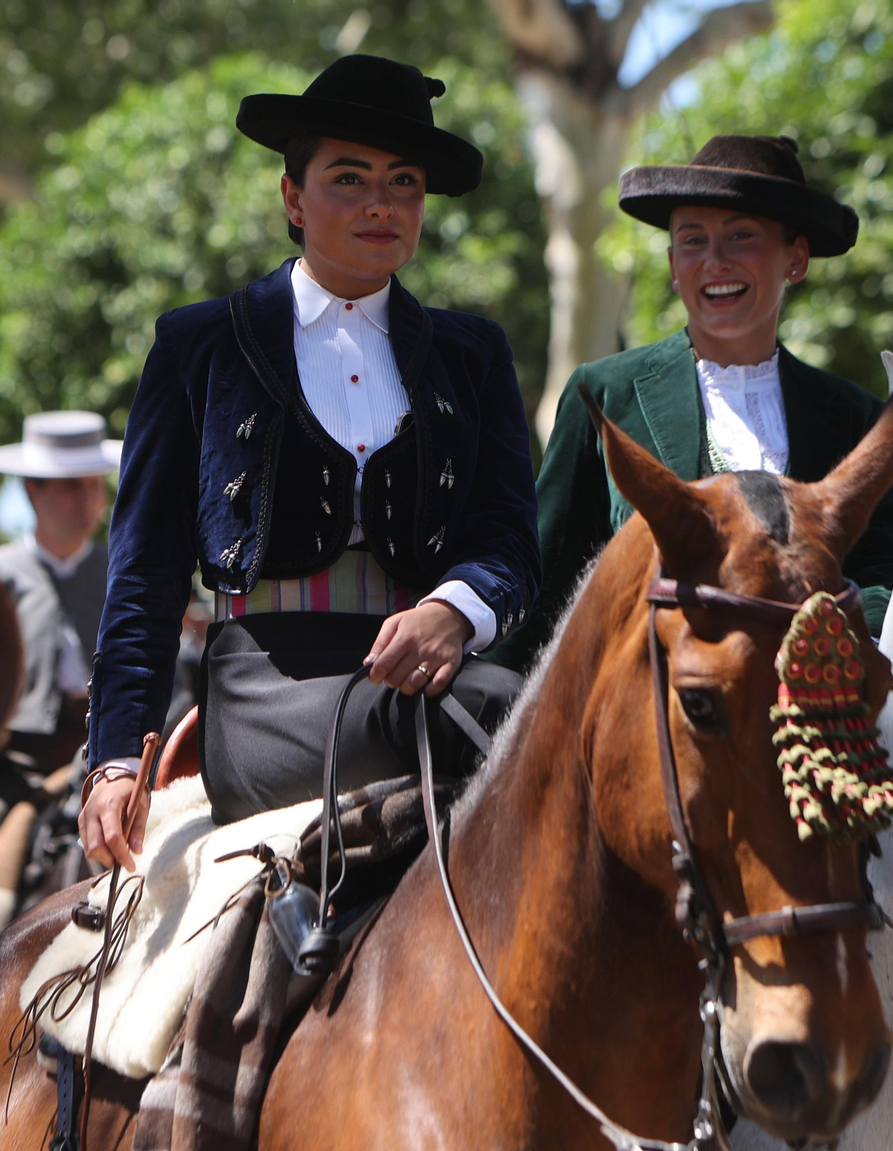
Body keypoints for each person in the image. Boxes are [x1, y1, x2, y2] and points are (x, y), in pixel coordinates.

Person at [81, 55, 539, 867]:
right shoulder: (200, 343)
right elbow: (145, 568)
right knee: (503, 704)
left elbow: (508, 538)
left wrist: (454, 610)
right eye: (349, 178)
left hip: (432, 676)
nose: (380, 203)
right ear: (293, 198)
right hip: (265, 696)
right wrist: (117, 757)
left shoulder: (473, 354)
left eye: (403, 183)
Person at [494, 135, 893, 673]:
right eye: (693, 241)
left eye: (741, 236)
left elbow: (884, 576)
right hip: (647, 705)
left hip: (815, 699)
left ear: (796, 258)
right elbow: (547, 574)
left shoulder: (856, 416)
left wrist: (836, 643)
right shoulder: (606, 393)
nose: (715, 261)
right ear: (673, 264)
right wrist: (490, 686)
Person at [0, 411, 119, 772]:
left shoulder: (123, 572)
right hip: (16, 757)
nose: (87, 499)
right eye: (71, 486)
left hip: (113, 749)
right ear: (32, 491)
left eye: (94, 485)